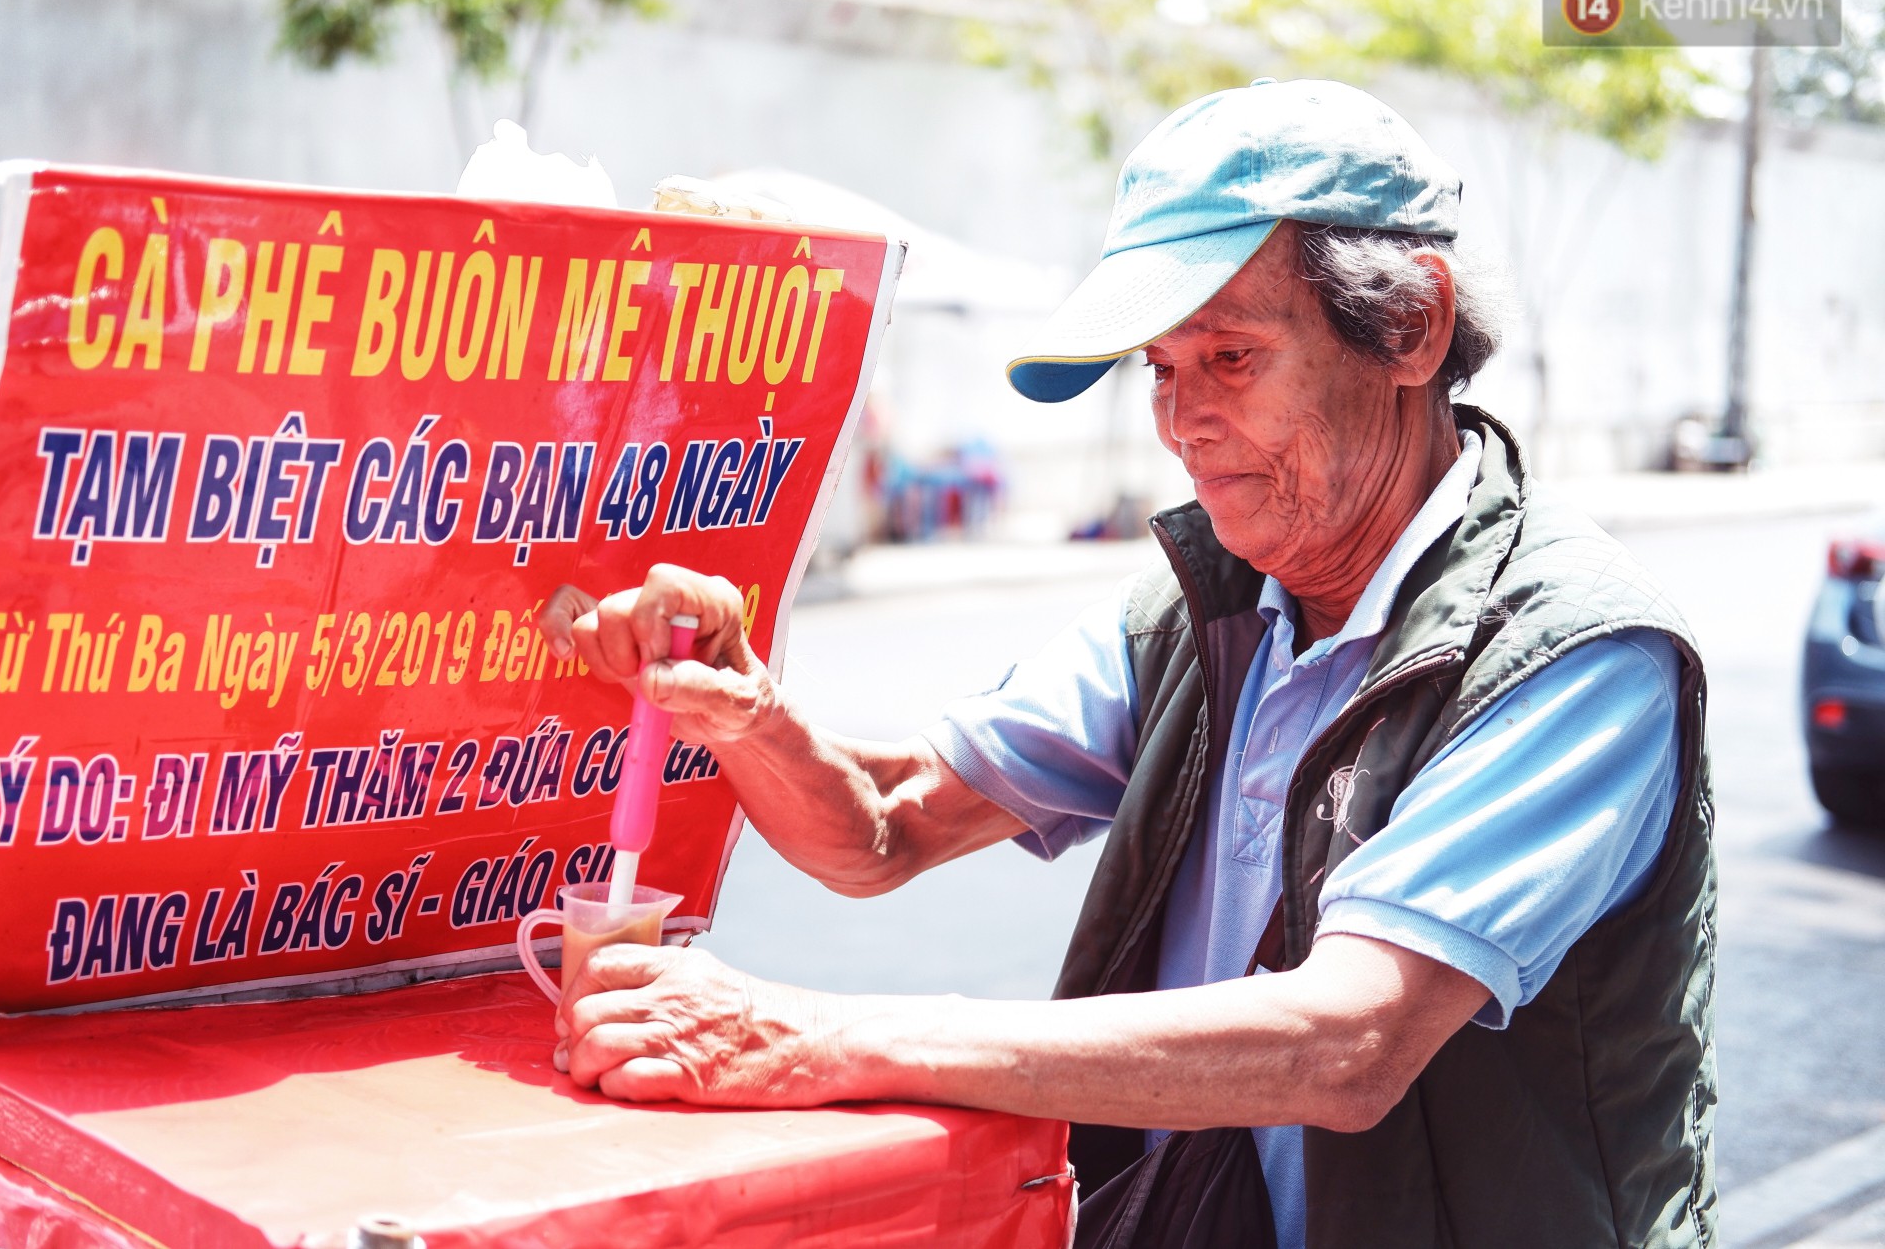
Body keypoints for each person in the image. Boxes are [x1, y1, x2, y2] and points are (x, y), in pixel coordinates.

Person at [541, 80, 1717, 1249]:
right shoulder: (1202, 603)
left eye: (1230, 356)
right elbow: (886, 826)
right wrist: (747, 712)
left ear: (1405, 331)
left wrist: (811, 1037)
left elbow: (1348, 1039)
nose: (1179, 418)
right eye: (1159, 366)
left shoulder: (1570, 649)